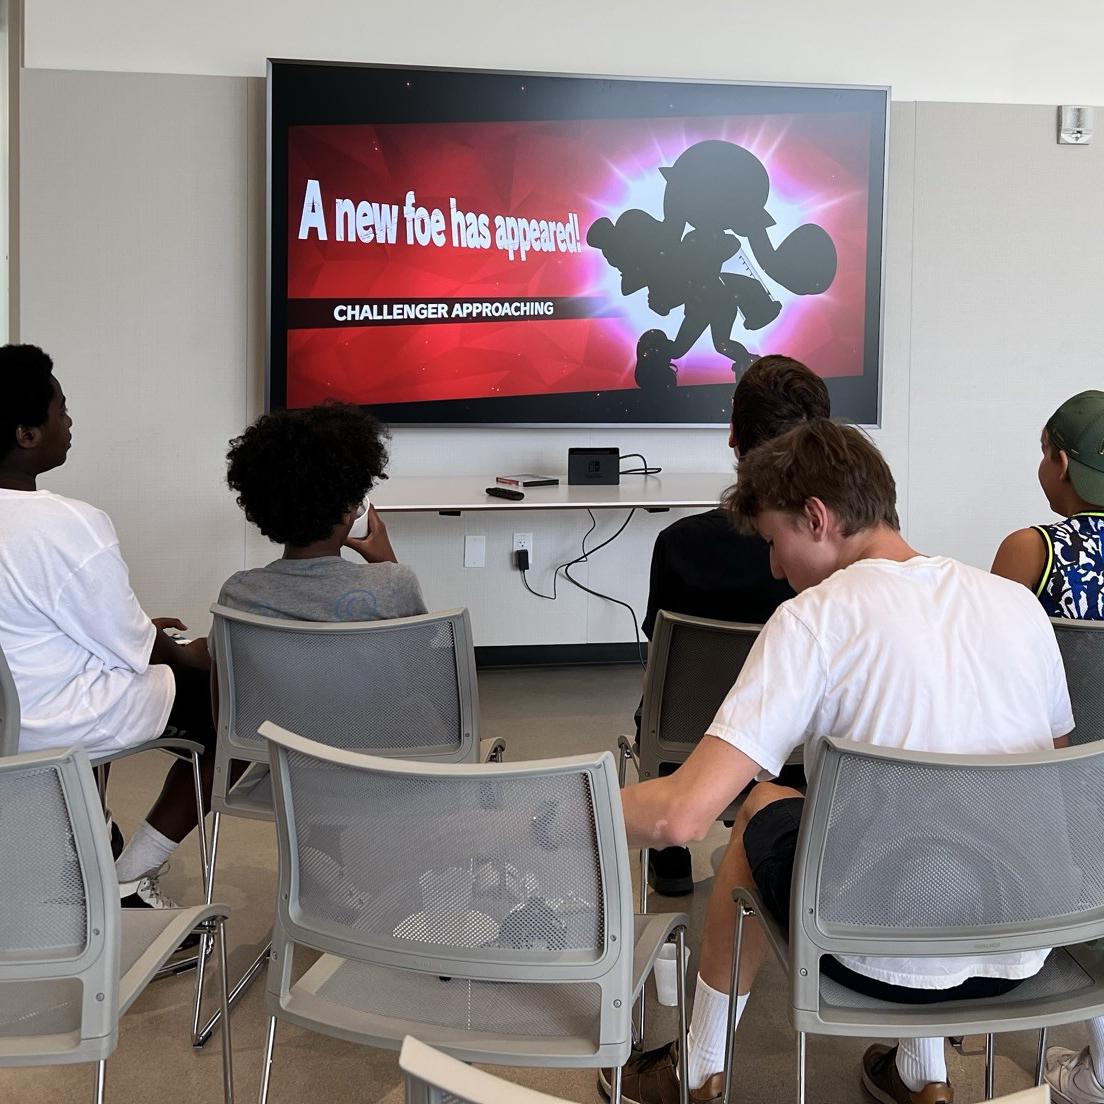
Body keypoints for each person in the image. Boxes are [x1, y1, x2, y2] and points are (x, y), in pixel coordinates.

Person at [605, 419, 1072, 1104]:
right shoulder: (1016, 605)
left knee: (763, 805)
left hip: (876, 953)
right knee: (919, 829)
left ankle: (694, 1073)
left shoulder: (812, 619)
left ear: (818, 518)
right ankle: (924, 1077)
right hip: (1026, 945)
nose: (772, 566)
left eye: (773, 541)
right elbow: (1044, 773)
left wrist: (558, 816)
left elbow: (681, 815)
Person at [0, 343, 215, 910]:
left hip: (9, 717)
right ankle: (128, 878)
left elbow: (33, 621)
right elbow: (136, 649)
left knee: (112, 671)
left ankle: (84, 845)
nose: (69, 422)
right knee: (233, 708)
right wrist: (199, 651)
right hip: (53, 720)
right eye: (60, 410)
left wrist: (137, 630)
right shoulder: (68, 522)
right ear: (26, 434)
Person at [640, 355, 829, 896]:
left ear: (733, 437)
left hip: (685, 748)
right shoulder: (838, 565)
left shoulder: (679, 545)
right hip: (798, 754)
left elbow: (659, 657)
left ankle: (670, 857)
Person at [992, 389, 1104, 1104]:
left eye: (1044, 451)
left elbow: (986, 669)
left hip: (1055, 788)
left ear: (1061, 461)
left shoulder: (1034, 550)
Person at [218, 403, 425, 623]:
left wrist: (175, 647)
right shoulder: (395, 584)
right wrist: (388, 563)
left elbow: (215, 654)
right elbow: (425, 650)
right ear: (348, 511)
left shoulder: (239, 593)